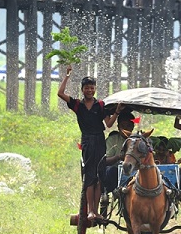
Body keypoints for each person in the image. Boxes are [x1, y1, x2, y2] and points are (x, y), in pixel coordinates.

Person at [57, 67, 122, 221]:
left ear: (95, 89)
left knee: (99, 176)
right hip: (87, 140)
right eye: (87, 88)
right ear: (82, 89)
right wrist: (67, 76)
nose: (89, 90)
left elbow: (109, 124)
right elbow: (60, 93)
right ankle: (90, 211)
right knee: (89, 176)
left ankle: (96, 211)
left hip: (99, 140)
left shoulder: (100, 105)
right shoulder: (77, 104)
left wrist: (117, 112)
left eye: (92, 88)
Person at [102, 110, 135, 194]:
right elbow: (105, 160)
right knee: (111, 171)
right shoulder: (112, 140)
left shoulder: (136, 140)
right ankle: (115, 191)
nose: (126, 129)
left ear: (133, 126)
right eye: (123, 126)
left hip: (134, 172)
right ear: (118, 127)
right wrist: (118, 157)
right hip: (116, 172)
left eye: (128, 126)